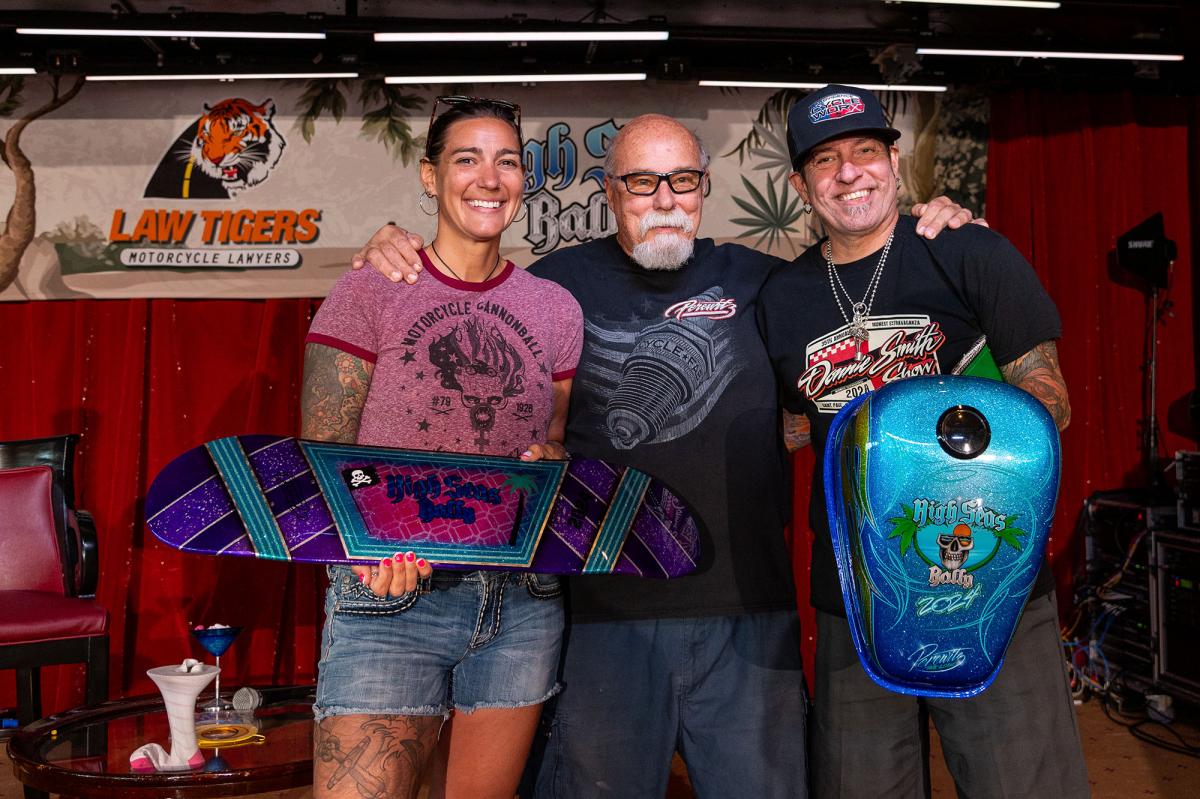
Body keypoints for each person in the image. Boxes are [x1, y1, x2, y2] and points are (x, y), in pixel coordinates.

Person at [351, 112, 973, 798]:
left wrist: (932, 226)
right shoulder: (550, 289)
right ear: (610, 191)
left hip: (750, 618)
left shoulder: (769, 283)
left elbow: (858, 311)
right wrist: (390, 248)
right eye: (642, 182)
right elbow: (476, 359)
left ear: (704, 185)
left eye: (681, 179)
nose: (665, 198)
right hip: (602, 620)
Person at [756, 84, 1088, 798]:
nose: (849, 172)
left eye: (866, 151)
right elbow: (795, 425)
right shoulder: (783, 297)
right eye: (825, 160)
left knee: (1022, 786)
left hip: (988, 577)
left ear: (894, 162)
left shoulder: (966, 251)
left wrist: (951, 441)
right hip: (857, 587)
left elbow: (1051, 404)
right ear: (800, 185)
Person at [301, 96, 583, 799]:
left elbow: (550, 445)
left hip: (521, 602)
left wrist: (553, 464)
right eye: (466, 159)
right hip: (391, 597)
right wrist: (364, 553)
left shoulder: (556, 308)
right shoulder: (372, 286)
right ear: (430, 177)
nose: (489, 178)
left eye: (507, 161)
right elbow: (324, 456)